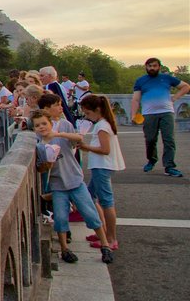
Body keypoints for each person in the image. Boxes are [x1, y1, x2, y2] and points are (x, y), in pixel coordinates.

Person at [30, 103, 113, 265]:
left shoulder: (61, 136)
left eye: (44, 124)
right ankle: (64, 249)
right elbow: (40, 168)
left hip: (75, 181)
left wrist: (59, 134)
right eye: (37, 125)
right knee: (60, 218)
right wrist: (46, 165)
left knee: (90, 214)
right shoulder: (39, 146)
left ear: (50, 123)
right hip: (58, 185)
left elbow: (79, 139)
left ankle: (105, 245)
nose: (41, 127)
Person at [79, 94, 125, 251]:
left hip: (102, 166)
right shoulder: (104, 123)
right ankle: (102, 233)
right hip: (101, 166)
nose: (87, 117)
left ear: (97, 110)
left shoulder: (102, 126)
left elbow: (105, 150)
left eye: (88, 113)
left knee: (106, 201)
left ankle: (111, 238)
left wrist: (85, 147)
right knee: (89, 196)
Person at [132, 57, 190, 177]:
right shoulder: (140, 81)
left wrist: (175, 97)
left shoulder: (167, 78)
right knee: (150, 139)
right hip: (149, 114)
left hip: (167, 112)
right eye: (149, 66)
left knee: (169, 140)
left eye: (154, 66)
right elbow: (136, 99)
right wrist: (133, 114)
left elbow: (186, 87)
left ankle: (169, 166)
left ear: (159, 67)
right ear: (146, 67)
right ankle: (152, 160)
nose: (152, 68)